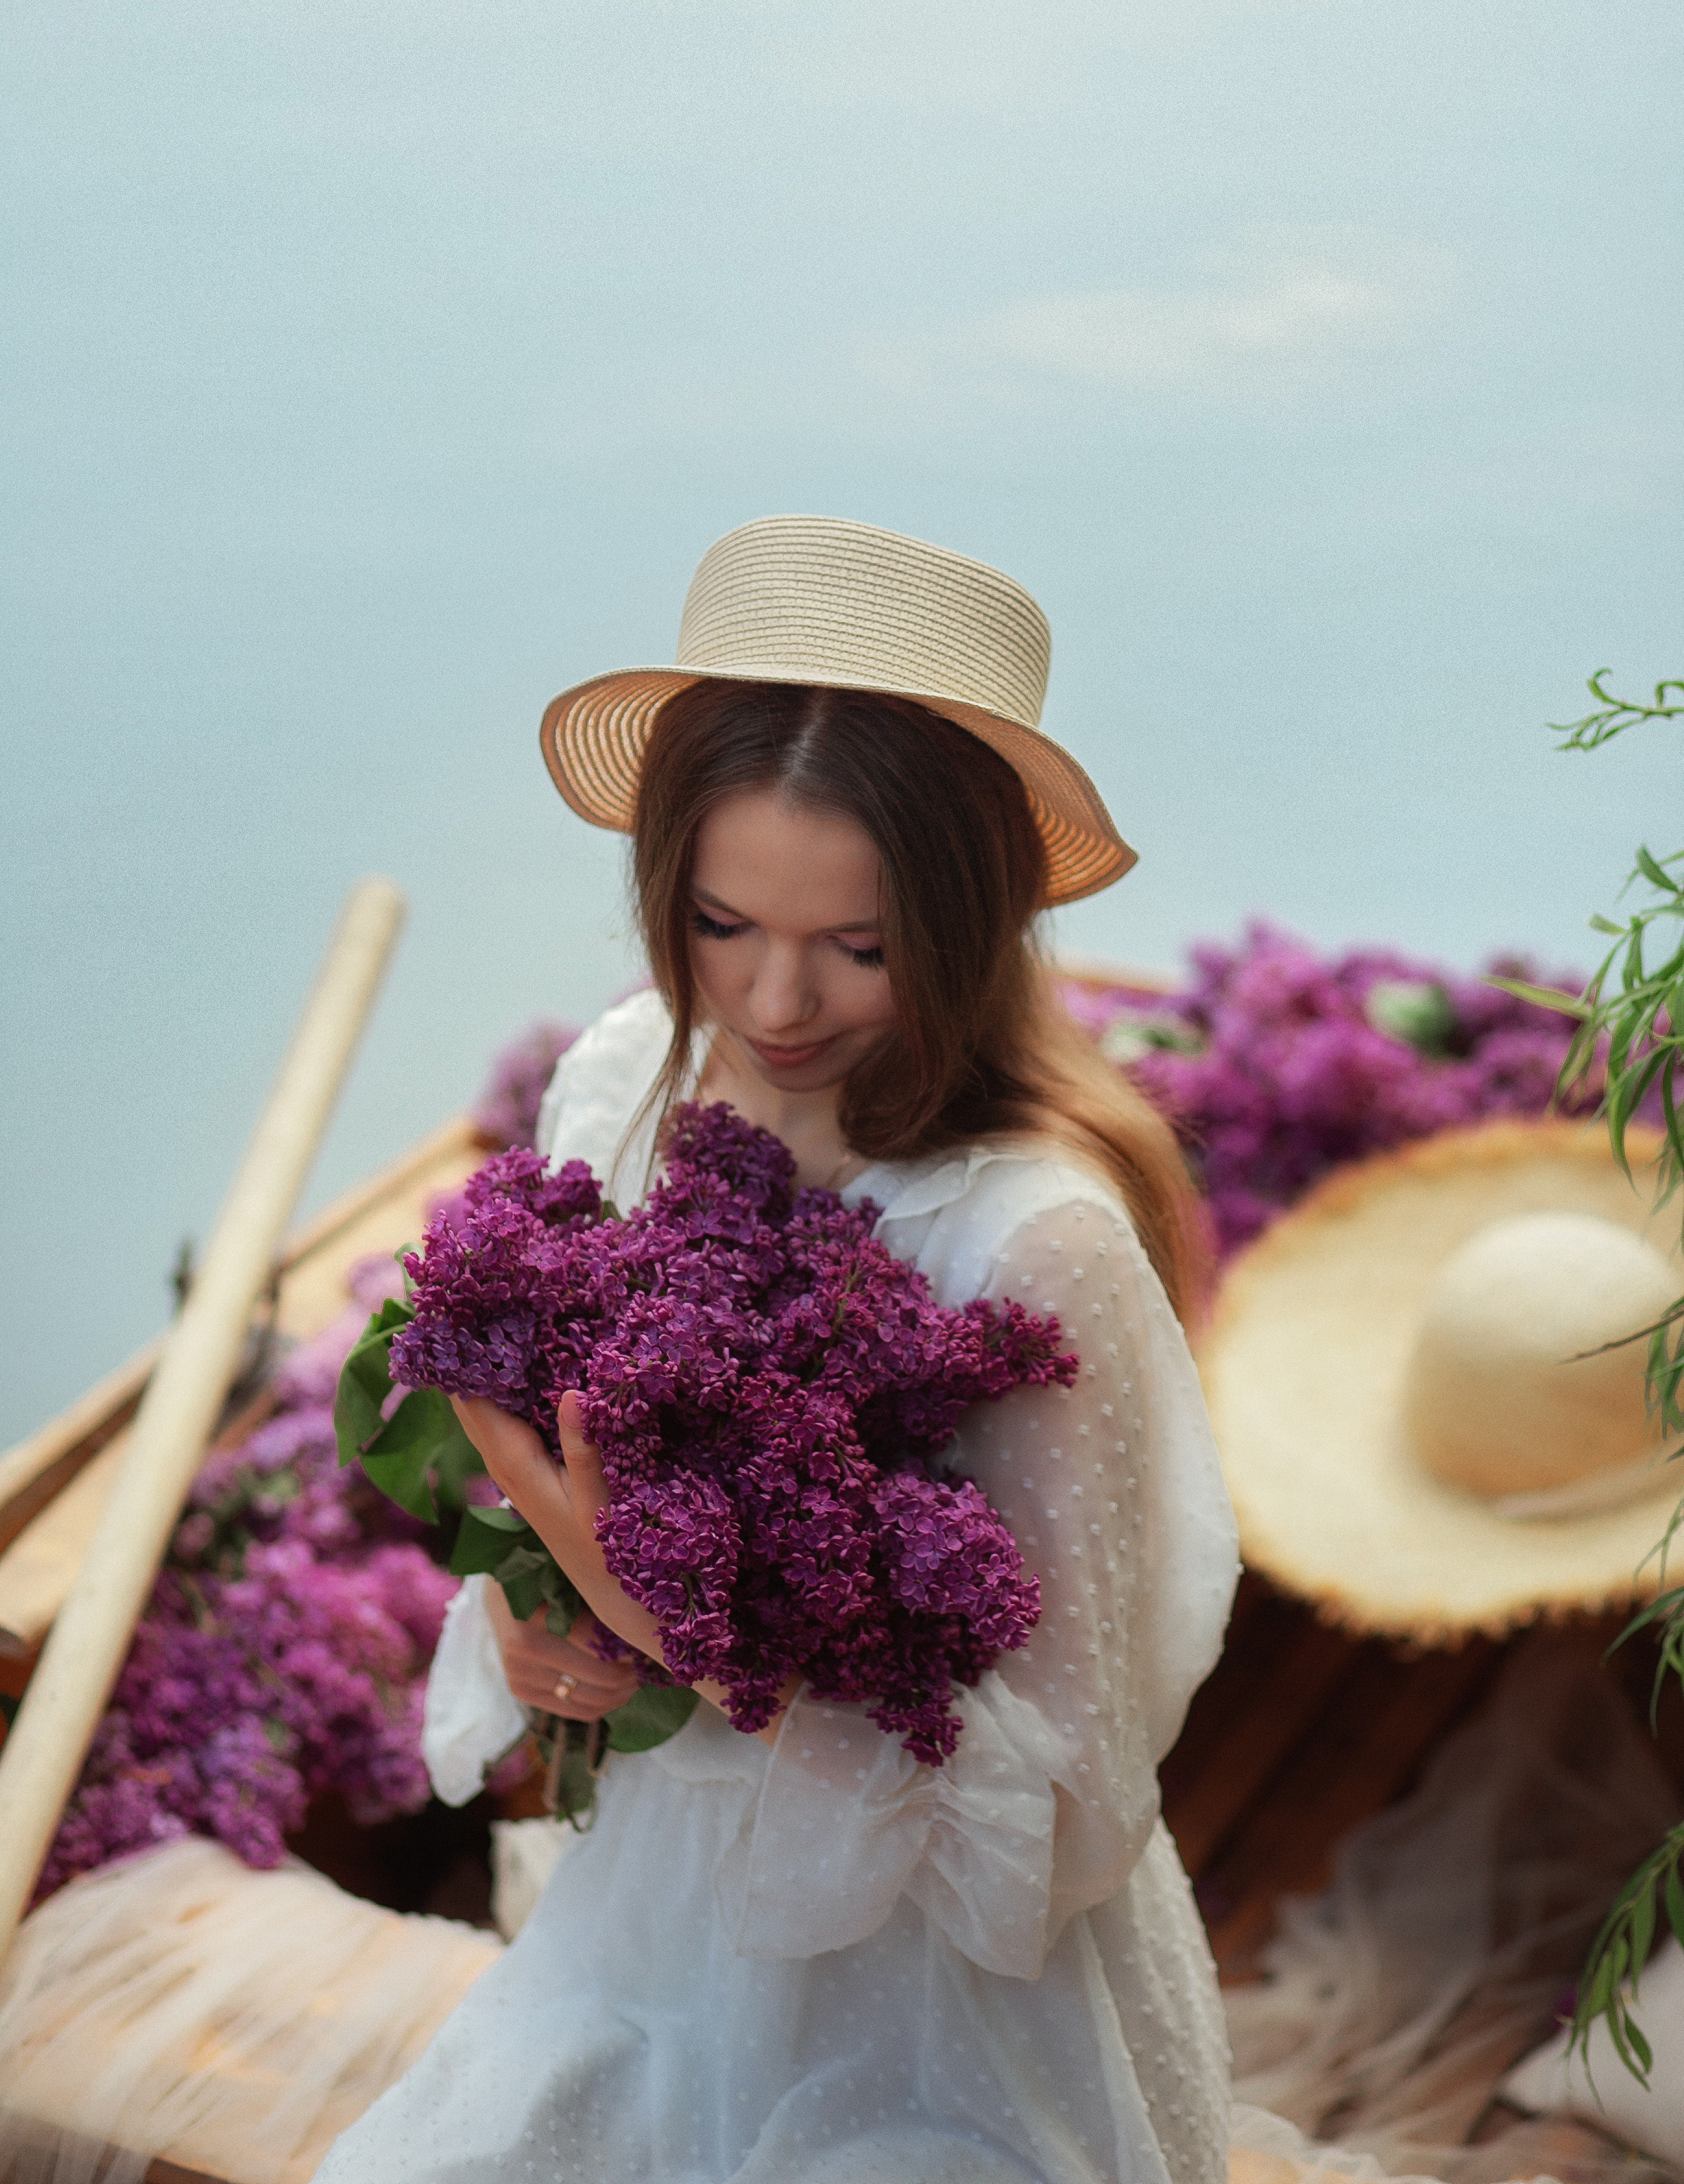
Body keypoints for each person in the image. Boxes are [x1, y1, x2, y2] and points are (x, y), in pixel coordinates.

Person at [317, 515, 1240, 2184]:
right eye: (720, 922)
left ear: (965, 926)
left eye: (860, 948)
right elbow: (556, 1481)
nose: (775, 1002)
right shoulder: (627, 1084)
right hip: (647, 1918)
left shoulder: (1032, 1238)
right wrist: (533, 1625)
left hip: (938, 2006)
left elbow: (1063, 1809)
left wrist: (669, 1617)